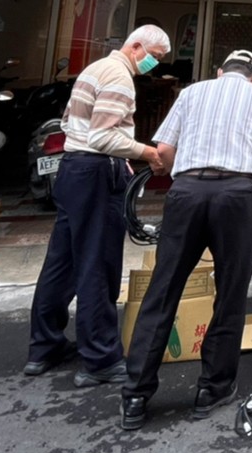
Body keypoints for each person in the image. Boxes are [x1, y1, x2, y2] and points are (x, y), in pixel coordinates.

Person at [119, 49, 252, 431]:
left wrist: (186, 175)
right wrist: (245, 173)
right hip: (236, 196)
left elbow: (164, 150)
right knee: (230, 295)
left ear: (220, 71)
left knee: (163, 289)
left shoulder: (192, 92)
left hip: (187, 192)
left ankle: (135, 395)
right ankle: (213, 388)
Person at [25, 25, 172, 388]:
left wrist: (119, 156)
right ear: (136, 46)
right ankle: (100, 359)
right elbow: (103, 136)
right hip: (95, 174)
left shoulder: (94, 69)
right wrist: (147, 152)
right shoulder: (119, 78)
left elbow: (71, 123)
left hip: (74, 168)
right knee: (98, 265)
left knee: (62, 262)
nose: (155, 64)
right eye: (155, 56)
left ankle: (44, 347)